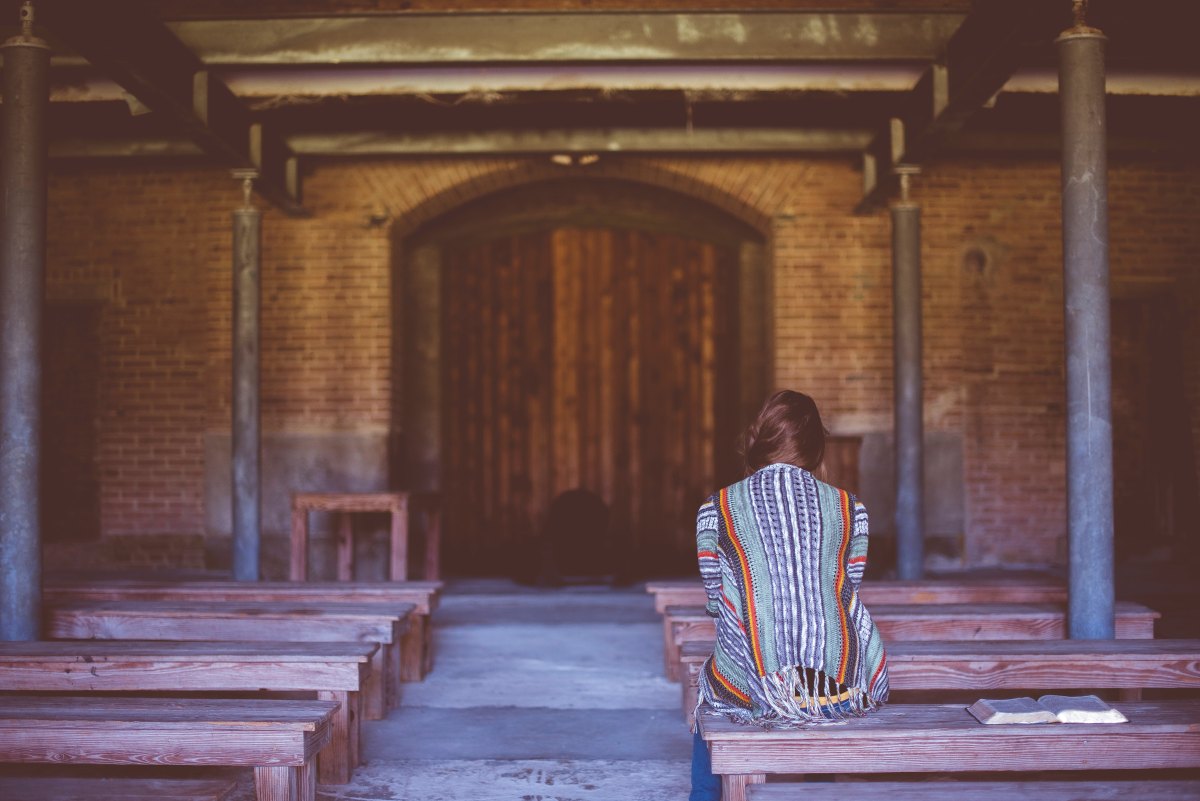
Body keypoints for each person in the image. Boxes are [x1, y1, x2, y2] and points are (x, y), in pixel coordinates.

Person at [689, 390, 889, 800]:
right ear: (817, 447)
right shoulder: (852, 510)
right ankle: (821, 784)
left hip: (754, 684)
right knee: (827, 664)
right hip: (836, 682)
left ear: (757, 443)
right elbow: (847, 589)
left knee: (711, 698)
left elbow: (715, 601)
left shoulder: (718, 509)